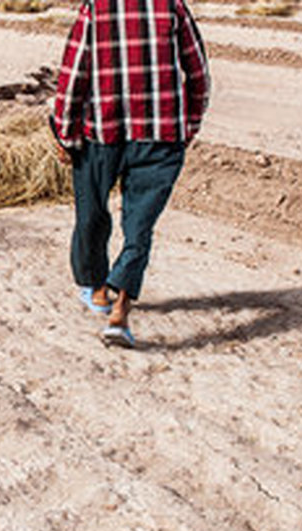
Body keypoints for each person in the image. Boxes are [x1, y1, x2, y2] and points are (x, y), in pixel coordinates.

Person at [50, 0, 210, 348]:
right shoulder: (172, 7)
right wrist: (189, 126)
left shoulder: (97, 7)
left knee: (99, 215)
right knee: (132, 226)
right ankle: (108, 297)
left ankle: (107, 300)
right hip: (153, 133)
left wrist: (64, 132)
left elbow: (73, 74)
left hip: (109, 133)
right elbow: (198, 73)